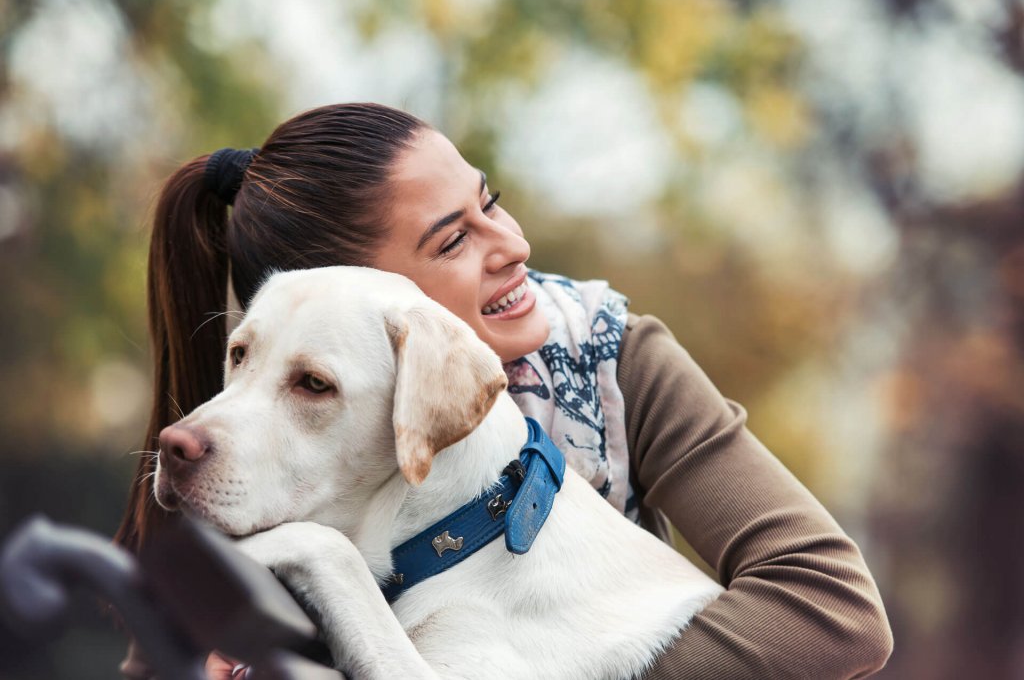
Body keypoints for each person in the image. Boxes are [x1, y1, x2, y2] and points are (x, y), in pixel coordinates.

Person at [116, 103, 893, 679]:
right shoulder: (252, 463)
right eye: (454, 240)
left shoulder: (608, 350)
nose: (515, 245)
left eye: (489, 203)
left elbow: (833, 610)